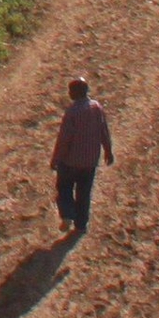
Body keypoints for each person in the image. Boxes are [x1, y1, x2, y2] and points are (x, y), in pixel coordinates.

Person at [51, 76, 114, 235]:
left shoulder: (72, 112)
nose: (69, 93)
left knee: (64, 188)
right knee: (84, 193)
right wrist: (108, 150)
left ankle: (67, 214)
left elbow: (64, 138)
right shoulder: (97, 108)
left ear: (75, 92)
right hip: (90, 161)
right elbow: (103, 131)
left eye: (70, 90)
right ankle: (81, 224)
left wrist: (56, 158)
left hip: (70, 161)